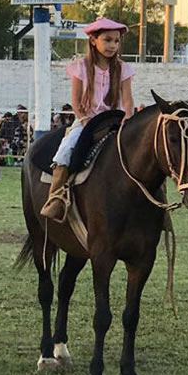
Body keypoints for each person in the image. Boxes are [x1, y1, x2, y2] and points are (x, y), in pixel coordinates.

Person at [42, 18, 134, 222]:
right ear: (93, 41)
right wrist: (84, 121)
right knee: (65, 149)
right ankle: (56, 197)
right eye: (107, 40)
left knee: (142, 152)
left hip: (116, 121)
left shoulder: (124, 69)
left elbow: (127, 100)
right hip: (87, 120)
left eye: (116, 41)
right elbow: (75, 101)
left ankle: (157, 205)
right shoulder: (80, 67)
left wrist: (128, 120)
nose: (112, 46)